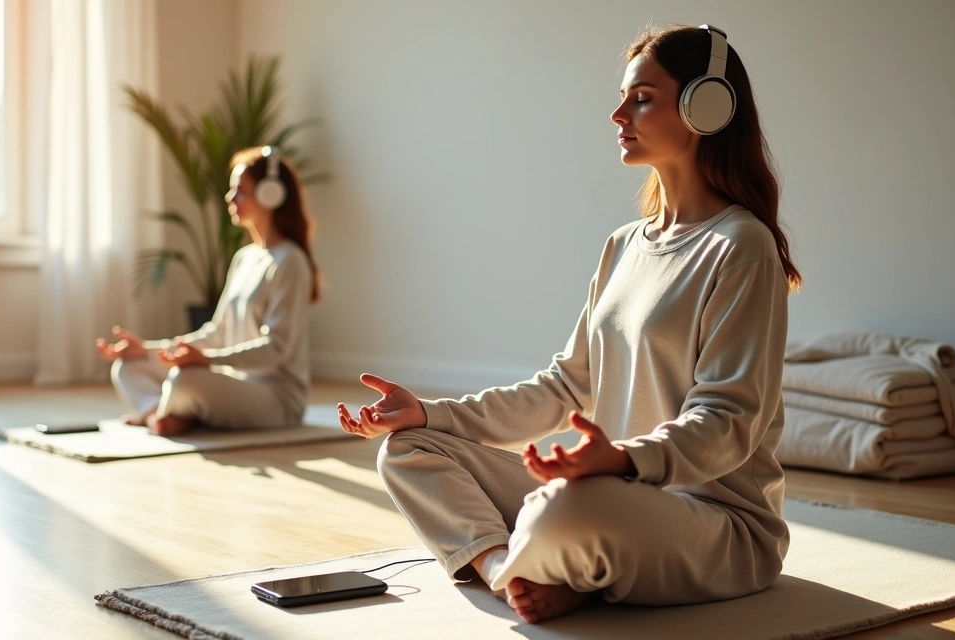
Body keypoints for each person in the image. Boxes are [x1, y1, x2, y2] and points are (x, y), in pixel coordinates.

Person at [337, 24, 802, 624]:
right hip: (614, 497)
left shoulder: (742, 246)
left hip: (717, 526)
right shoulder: (623, 246)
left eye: (641, 97)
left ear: (704, 108)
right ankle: (507, 568)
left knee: (563, 509)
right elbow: (563, 387)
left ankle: (557, 559)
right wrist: (432, 414)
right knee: (407, 452)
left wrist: (621, 461)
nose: (617, 113)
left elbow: (728, 422)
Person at [97, 146, 322, 437]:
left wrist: (207, 360)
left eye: (240, 190)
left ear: (271, 194)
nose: (230, 198)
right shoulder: (245, 257)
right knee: (128, 366)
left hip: (275, 399)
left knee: (185, 379)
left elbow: (276, 348)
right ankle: (162, 414)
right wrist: (149, 349)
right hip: (231, 381)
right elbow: (216, 331)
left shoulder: (290, 261)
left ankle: (166, 411)